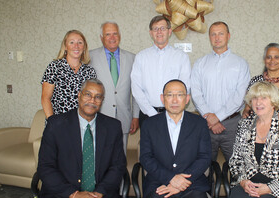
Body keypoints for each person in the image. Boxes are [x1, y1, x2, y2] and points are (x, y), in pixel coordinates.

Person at [37, 79, 127, 198]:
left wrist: (97, 195)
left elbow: (118, 166)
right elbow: (45, 167)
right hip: (62, 195)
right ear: (79, 95)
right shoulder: (56, 125)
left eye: (98, 97)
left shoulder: (113, 127)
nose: (92, 100)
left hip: (101, 195)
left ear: (102, 101)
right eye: (88, 94)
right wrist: (75, 195)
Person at [140, 79, 212, 198]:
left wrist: (183, 182)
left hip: (192, 184)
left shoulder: (199, 123)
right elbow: (146, 157)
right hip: (160, 184)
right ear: (162, 98)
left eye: (179, 95)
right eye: (169, 95)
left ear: (187, 98)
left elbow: (205, 157)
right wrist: (171, 178)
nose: (174, 100)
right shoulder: (149, 124)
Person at [191, 21, 250, 162]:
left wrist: (217, 117)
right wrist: (209, 117)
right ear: (209, 37)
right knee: (203, 168)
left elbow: (240, 95)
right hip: (205, 124)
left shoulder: (240, 63)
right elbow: (196, 92)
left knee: (237, 167)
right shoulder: (200, 63)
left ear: (228, 36)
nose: (217, 37)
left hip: (232, 125)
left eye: (221, 33)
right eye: (213, 34)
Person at [131, 15, 191, 127]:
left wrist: (171, 112)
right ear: (151, 33)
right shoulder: (141, 57)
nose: (159, 32)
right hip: (147, 115)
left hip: (174, 114)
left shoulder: (181, 57)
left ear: (169, 32)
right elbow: (136, 89)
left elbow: (185, 88)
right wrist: (151, 113)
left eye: (162, 28)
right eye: (155, 29)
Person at [90, 22, 140, 152]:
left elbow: (136, 90)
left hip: (123, 118)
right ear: (101, 37)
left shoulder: (132, 58)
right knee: (100, 158)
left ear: (120, 35)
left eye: (115, 33)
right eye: (107, 34)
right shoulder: (89, 57)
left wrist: (135, 116)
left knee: (120, 159)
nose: (112, 37)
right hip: (99, 117)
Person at [41, 30, 97, 118]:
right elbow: (45, 98)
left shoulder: (89, 71)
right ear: (65, 47)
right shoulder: (54, 67)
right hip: (59, 123)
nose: (76, 46)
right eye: (72, 42)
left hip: (83, 123)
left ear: (84, 47)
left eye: (80, 42)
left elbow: (92, 100)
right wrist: (52, 122)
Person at [242, 43, 279, 122]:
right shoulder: (256, 81)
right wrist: (245, 112)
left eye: (276, 57)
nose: (272, 60)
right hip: (258, 125)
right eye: (269, 57)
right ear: (264, 60)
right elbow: (247, 108)